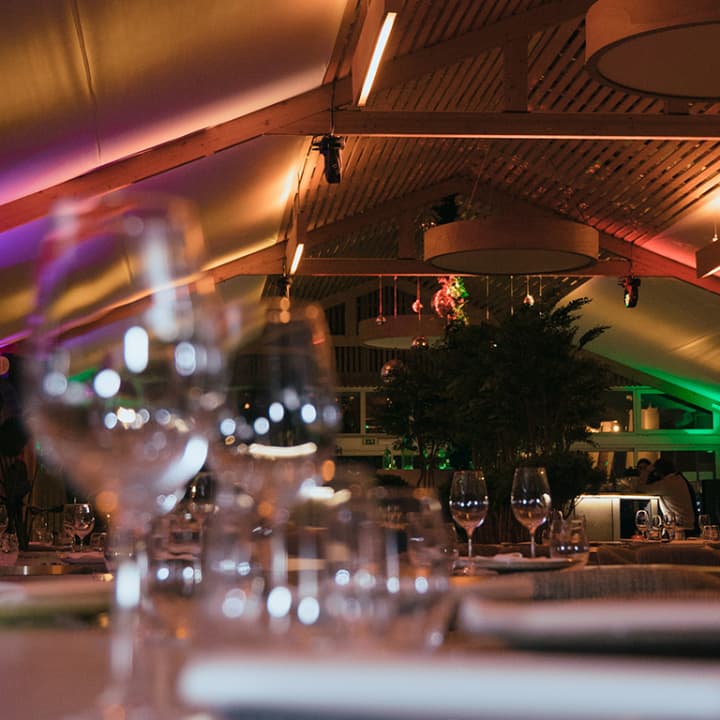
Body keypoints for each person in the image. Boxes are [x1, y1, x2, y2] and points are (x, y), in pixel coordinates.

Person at [638, 457, 697, 534]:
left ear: (658, 472)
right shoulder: (678, 479)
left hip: (679, 529)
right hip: (687, 527)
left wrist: (647, 471)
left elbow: (640, 488)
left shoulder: (666, 484)